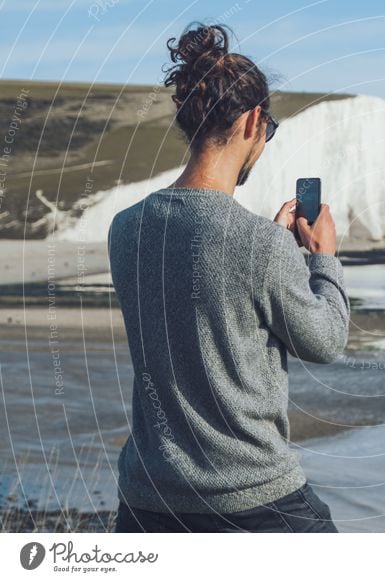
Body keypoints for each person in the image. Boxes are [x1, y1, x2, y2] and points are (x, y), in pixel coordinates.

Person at [109, 23, 348, 532]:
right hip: (250, 500)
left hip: (148, 499)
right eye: (270, 129)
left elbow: (203, 305)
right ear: (254, 121)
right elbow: (325, 340)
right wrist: (322, 258)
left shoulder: (125, 229)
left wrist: (277, 251)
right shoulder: (258, 242)